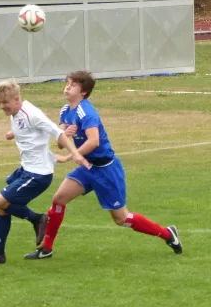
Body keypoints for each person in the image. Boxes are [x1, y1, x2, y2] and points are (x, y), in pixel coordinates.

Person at [25, 70, 182, 260]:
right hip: (87, 167)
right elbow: (60, 142)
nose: (67, 86)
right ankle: (46, 248)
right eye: (67, 82)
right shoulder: (65, 111)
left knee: (121, 218)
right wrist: (66, 135)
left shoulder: (87, 112)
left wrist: (69, 157)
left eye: (73, 84)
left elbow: (94, 142)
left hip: (106, 169)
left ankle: (167, 234)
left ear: (84, 92)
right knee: (59, 199)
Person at [0, 79, 89, 265]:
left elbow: (57, 132)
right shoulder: (17, 113)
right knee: (2, 204)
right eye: (0, 103)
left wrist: (74, 153)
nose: (2, 107)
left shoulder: (32, 115)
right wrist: (13, 133)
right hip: (26, 169)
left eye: (5, 103)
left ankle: (38, 219)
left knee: (0, 200)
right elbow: (31, 133)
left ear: (16, 99)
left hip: (37, 175)